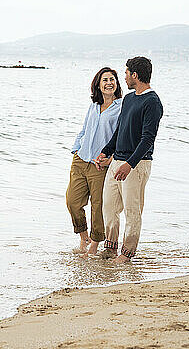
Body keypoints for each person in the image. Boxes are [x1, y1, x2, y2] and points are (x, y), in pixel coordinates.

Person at [95, 56, 163, 264]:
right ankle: (110, 247)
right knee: (109, 207)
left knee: (133, 211)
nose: (123, 77)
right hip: (118, 161)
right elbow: (120, 130)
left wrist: (130, 164)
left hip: (137, 164)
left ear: (135, 75)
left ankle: (127, 253)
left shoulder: (152, 102)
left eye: (126, 73)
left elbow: (148, 139)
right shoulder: (130, 98)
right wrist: (106, 151)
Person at [67, 67, 123, 256]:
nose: (109, 83)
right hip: (80, 159)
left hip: (100, 164)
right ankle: (83, 236)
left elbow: (121, 137)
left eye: (112, 79)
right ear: (98, 84)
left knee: (98, 206)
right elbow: (84, 130)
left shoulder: (121, 108)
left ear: (116, 83)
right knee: (72, 202)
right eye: (105, 80)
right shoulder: (93, 106)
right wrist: (76, 148)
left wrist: (112, 158)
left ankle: (95, 244)